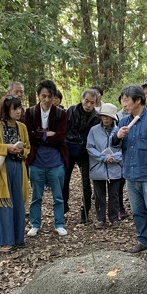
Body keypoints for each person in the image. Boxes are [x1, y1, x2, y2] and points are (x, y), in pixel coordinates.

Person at [112, 84, 147, 262]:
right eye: (122, 99)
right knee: (137, 211)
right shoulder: (123, 121)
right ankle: (143, 240)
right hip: (130, 173)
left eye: (126, 99)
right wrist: (117, 136)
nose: (124, 103)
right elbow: (113, 144)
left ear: (138, 100)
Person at [0, 96, 30, 250]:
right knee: (3, 204)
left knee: (17, 204)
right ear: (6, 110)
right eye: (14, 108)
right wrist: (6, 148)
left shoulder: (21, 127)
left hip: (18, 168)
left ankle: (17, 239)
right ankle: (2, 241)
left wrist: (22, 151)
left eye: (20, 108)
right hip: (1, 170)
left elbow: (28, 147)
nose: (18, 111)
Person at [23, 79, 69, 237]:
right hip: (36, 161)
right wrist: (46, 135)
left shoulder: (61, 113)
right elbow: (28, 135)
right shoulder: (29, 113)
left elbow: (61, 137)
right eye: (44, 96)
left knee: (58, 196)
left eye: (50, 96)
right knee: (36, 195)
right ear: (39, 96)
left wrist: (39, 135)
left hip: (56, 161)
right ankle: (35, 224)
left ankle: (59, 223)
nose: (47, 99)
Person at [63, 88, 100, 223]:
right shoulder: (71, 111)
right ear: (82, 99)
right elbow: (65, 129)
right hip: (69, 149)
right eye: (86, 101)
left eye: (92, 102)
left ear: (95, 103)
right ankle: (63, 207)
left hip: (84, 152)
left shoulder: (96, 117)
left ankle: (85, 211)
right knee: (65, 179)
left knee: (85, 183)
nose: (88, 105)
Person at [86, 103, 122, 229]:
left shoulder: (119, 131)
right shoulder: (94, 130)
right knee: (99, 195)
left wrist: (115, 158)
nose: (105, 119)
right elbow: (90, 147)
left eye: (108, 117)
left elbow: (124, 149)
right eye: (103, 116)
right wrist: (104, 157)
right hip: (98, 168)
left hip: (115, 168)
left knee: (114, 195)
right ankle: (100, 219)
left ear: (113, 118)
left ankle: (114, 218)